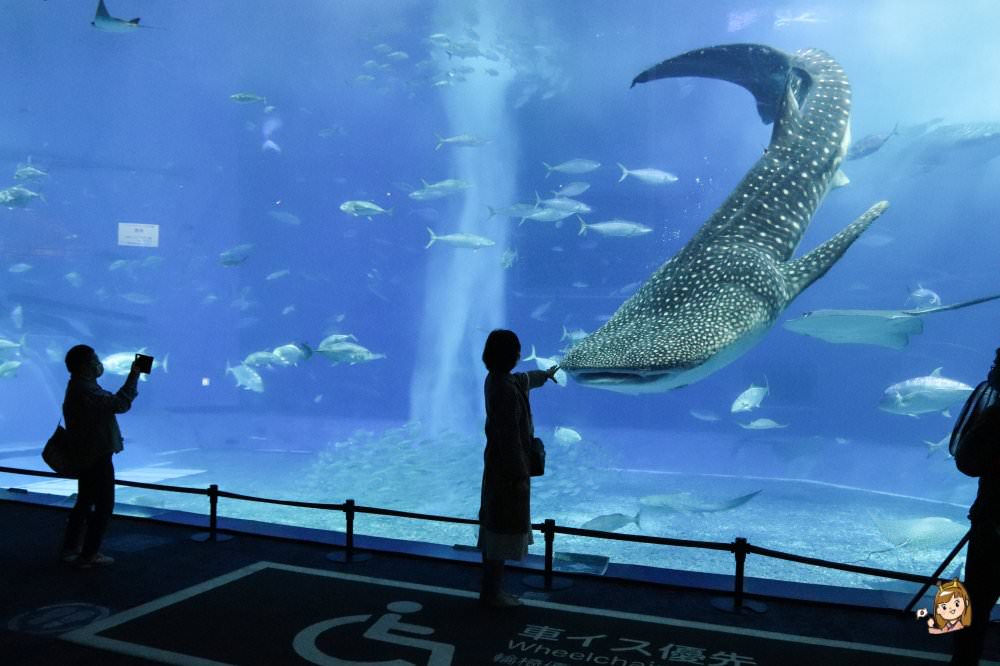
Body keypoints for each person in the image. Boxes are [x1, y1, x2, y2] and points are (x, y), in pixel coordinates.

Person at [478, 329, 558, 608]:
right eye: (516, 350)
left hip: (497, 470)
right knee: (500, 533)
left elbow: (523, 379)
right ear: (509, 354)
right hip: (507, 475)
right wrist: (519, 476)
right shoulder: (505, 391)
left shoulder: (497, 379)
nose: (519, 354)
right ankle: (492, 595)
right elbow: (509, 438)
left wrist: (544, 375)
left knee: (493, 530)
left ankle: (491, 591)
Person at [60, 345, 143, 568]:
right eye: (95, 360)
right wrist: (134, 375)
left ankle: (71, 548)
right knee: (104, 505)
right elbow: (120, 404)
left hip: (86, 453)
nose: (99, 364)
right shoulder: (86, 390)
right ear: (84, 366)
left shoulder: (79, 386)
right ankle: (89, 554)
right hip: (96, 455)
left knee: (85, 501)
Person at [951, 348, 1000, 664]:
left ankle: (962, 661)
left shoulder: (996, 417)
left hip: (992, 528)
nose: (992, 369)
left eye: (997, 363)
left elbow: (968, 462)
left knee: (975, 603)